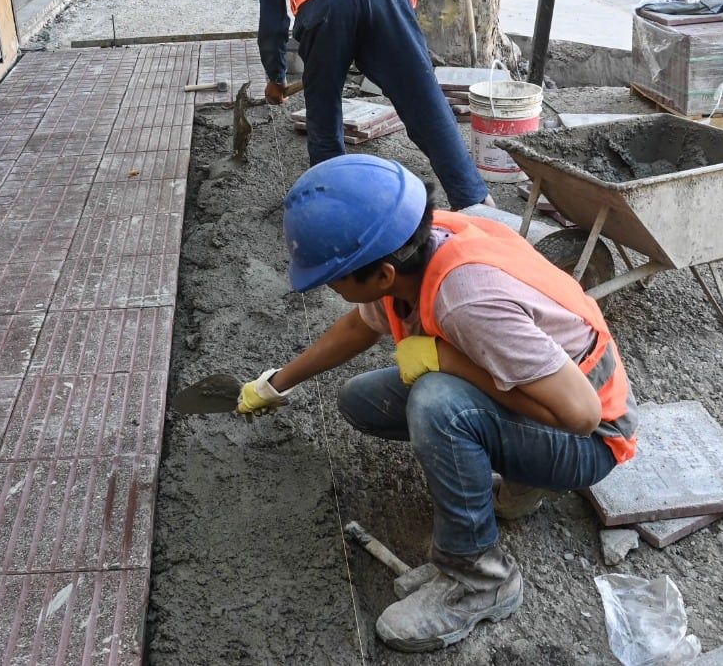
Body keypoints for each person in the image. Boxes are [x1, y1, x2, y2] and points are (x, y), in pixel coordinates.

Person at [236, 154, 639, 652]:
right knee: (363, 400)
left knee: (436, 404)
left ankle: (480, 579)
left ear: (382, 274)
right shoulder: (414, 241)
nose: (329, 285)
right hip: (544, 395)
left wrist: (447, 360)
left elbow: (581, 416)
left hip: (591, 439)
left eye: (334, 276)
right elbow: (363, 324)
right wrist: (277, 382)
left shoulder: (467, 300)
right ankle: (522, 476)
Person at [256, 0, 491, 210]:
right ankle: (474, 199)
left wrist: (275, 77)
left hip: (325, 7)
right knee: (424, 101)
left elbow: (273, 23)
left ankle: (334, 207)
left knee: (323, 115)